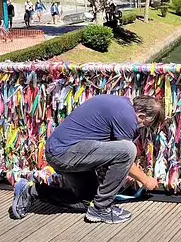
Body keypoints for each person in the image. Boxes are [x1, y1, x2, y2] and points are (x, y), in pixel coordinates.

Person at [11, 94, 163, 224]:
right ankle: (101, 209)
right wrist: (146, 180)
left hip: (63, 152)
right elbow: (125, 155)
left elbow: (110, 152)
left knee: (88, 202)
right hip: (66, 153)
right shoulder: (128, 116)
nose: (142, 128)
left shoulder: (119, 104)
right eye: (146, 124)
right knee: (129, 149)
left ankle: (31, 191)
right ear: (141, 115)